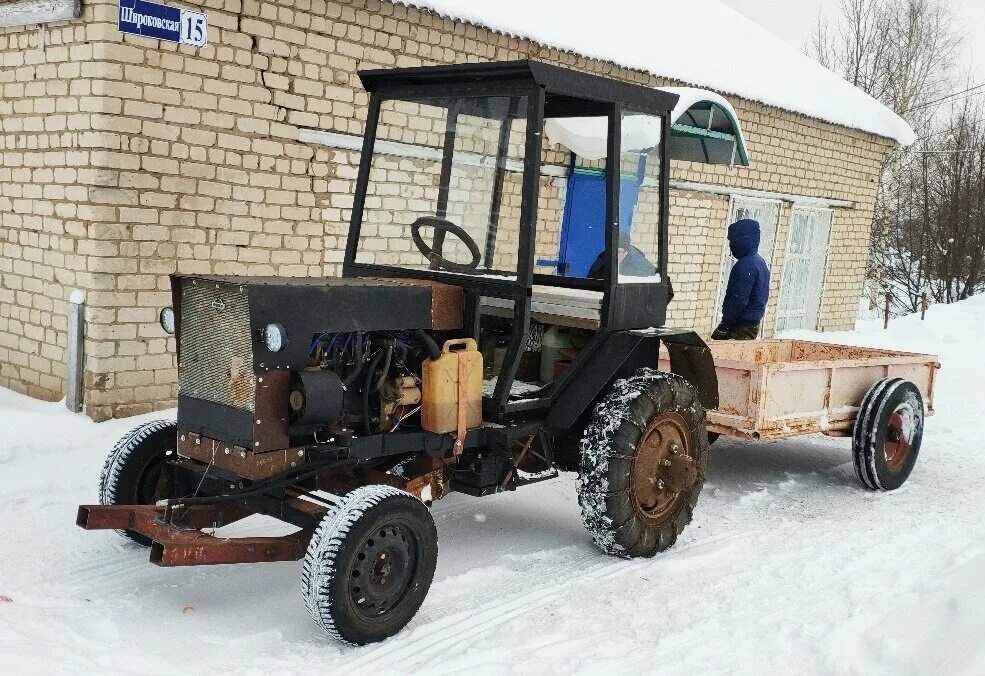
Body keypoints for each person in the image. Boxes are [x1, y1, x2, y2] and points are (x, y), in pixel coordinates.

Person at [712, 218, 770, 340]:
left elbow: (738, 299)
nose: (730, 246)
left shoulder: (746, 265)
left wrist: (725, 324)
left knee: (726, 358)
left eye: (732, 241)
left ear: (742, 241)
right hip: (751, 324)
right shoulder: (759, 262)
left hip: (740, 326)